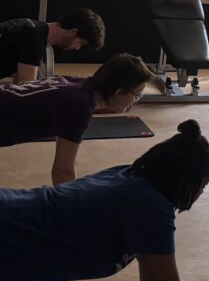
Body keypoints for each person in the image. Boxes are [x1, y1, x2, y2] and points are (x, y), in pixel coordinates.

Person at [0, 119, 209, 281]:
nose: (201, 193)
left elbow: (150, 257)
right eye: (202, 186)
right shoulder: (150, 208)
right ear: (185, 181)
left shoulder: (131, 178)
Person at [0, 53, 153, 184]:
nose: (135, 101)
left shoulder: (75, 84)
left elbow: (68, 159)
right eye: (137, 95)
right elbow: (63, 172)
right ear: (119, 92)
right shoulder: (78, 106)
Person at [0, 9, 106, 83]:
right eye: (81, 42)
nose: (77, 48)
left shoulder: (30, 25)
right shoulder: (34, 41)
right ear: (73, 31)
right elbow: (25, 92)